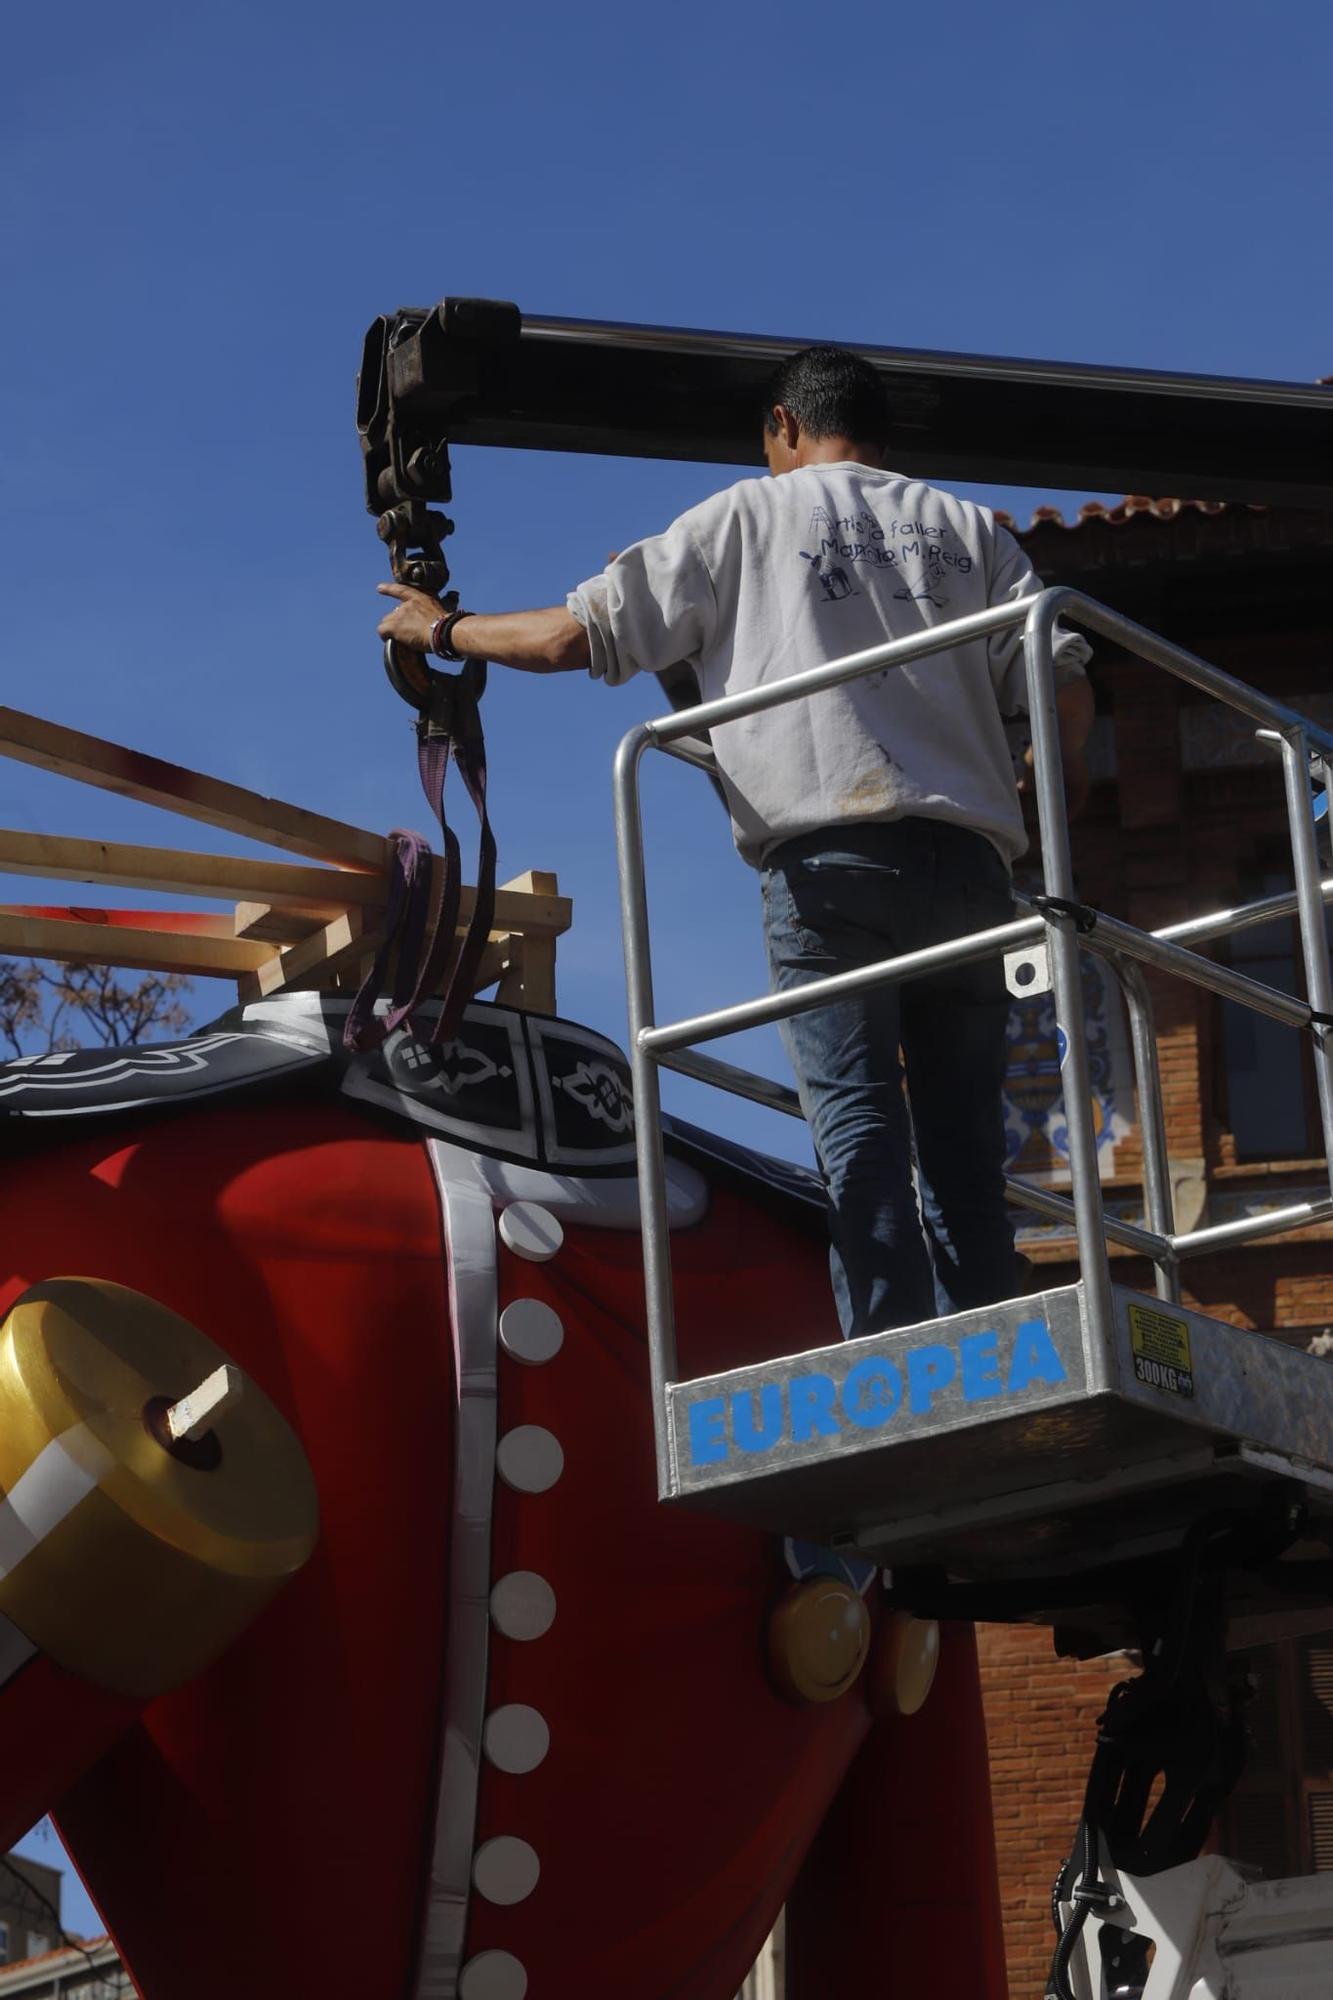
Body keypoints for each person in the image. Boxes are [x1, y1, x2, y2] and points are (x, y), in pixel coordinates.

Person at [377, 345, 1093, 1338]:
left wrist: (442, 630)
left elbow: (565, 639)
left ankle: (893, 1360)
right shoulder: (969, 531)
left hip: (831, 866)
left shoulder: (744, 519)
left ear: (783, 426)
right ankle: (993, 1350)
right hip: (970, 867)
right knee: (963, 1142)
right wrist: (1039, 785)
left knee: (858, 1125)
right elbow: (1063, 684)